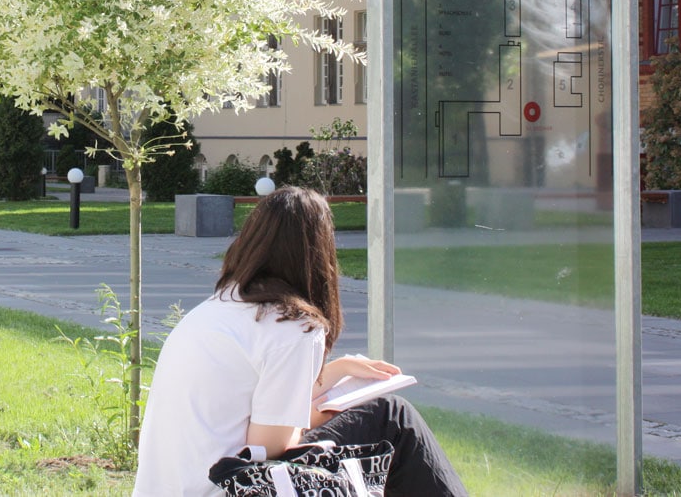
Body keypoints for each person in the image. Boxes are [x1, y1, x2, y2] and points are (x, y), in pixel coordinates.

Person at [134, 186, 467, 497]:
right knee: (391, 415)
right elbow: (266, 452)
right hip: (229, 488)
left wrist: (334, 373)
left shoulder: (219, 307)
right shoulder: (293, 325)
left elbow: (248, 402)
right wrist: (321, 412)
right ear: (319, 253)